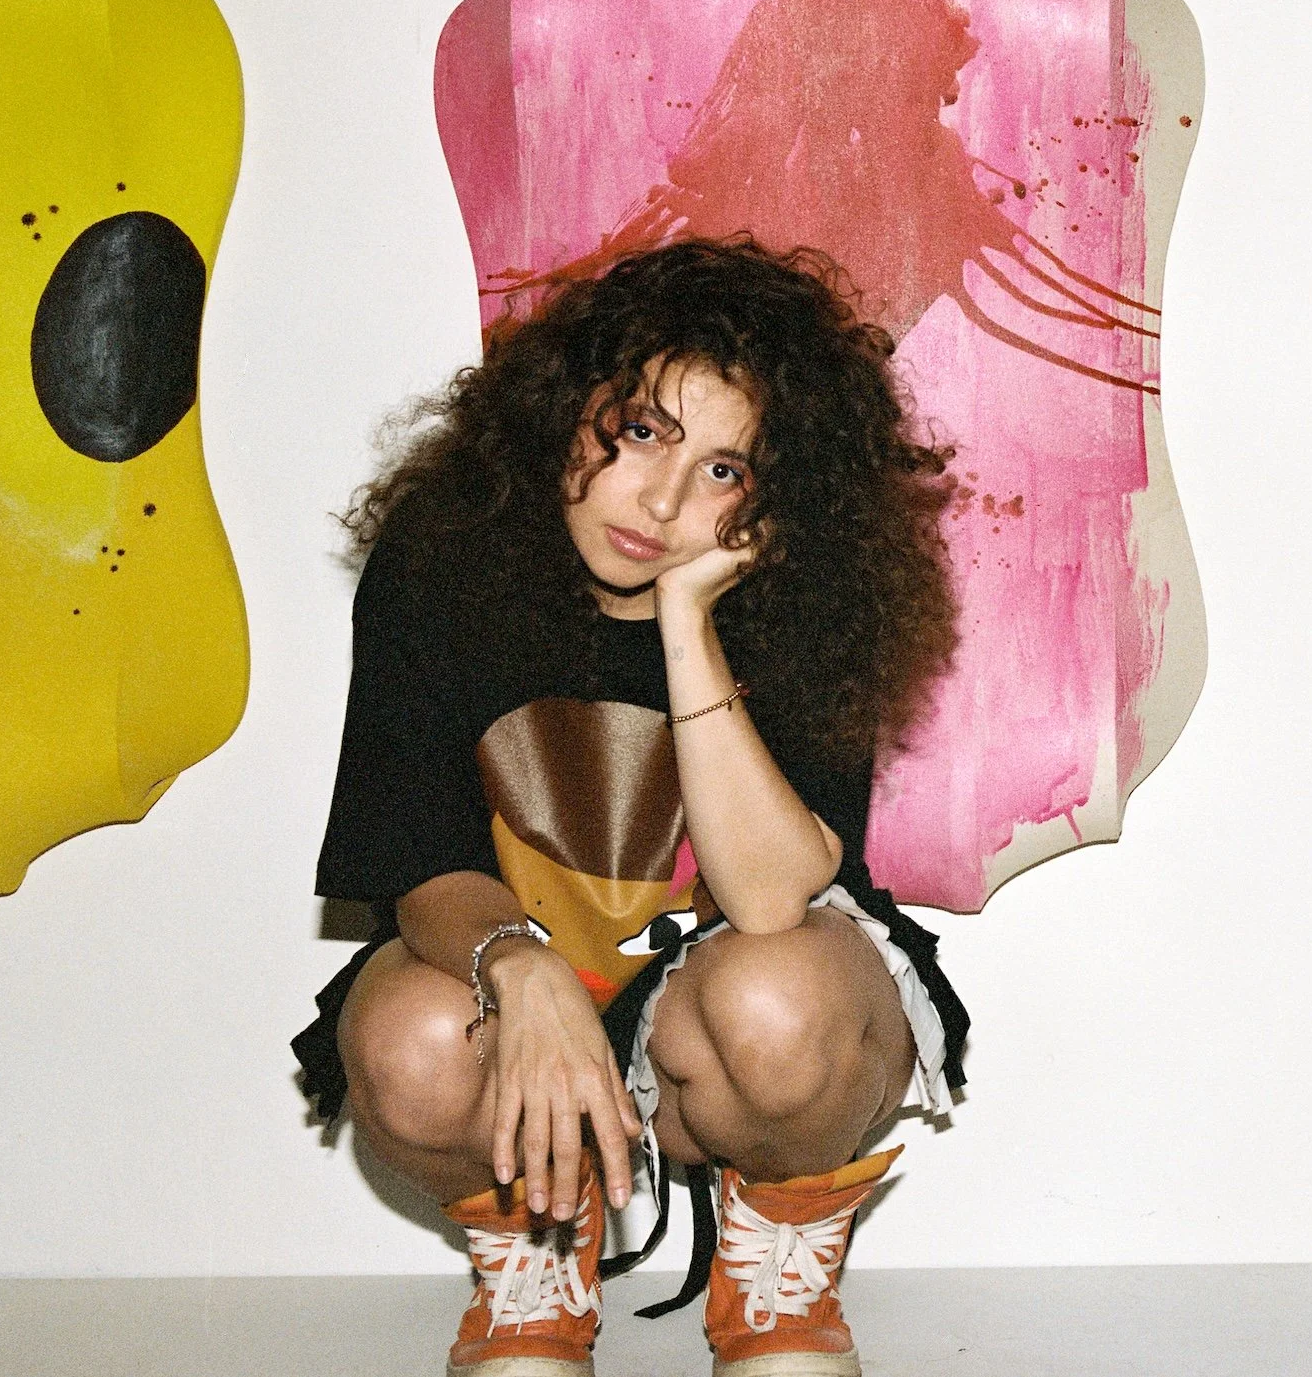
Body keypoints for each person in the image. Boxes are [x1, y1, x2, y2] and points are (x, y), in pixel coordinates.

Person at [291, 238, 968, 1377]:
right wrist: (523, 965)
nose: (659, 500)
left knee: (781, 998)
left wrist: (690, 619)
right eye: (645, 430)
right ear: (569, 409)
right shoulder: (445, 561)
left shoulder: (798, 603)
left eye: (724, 471)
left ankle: (776, 1258)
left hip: (722, 1014)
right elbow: (421, 866)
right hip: (534, 1007)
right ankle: (535, 1258)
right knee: (410, 1037)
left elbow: (765, 897)